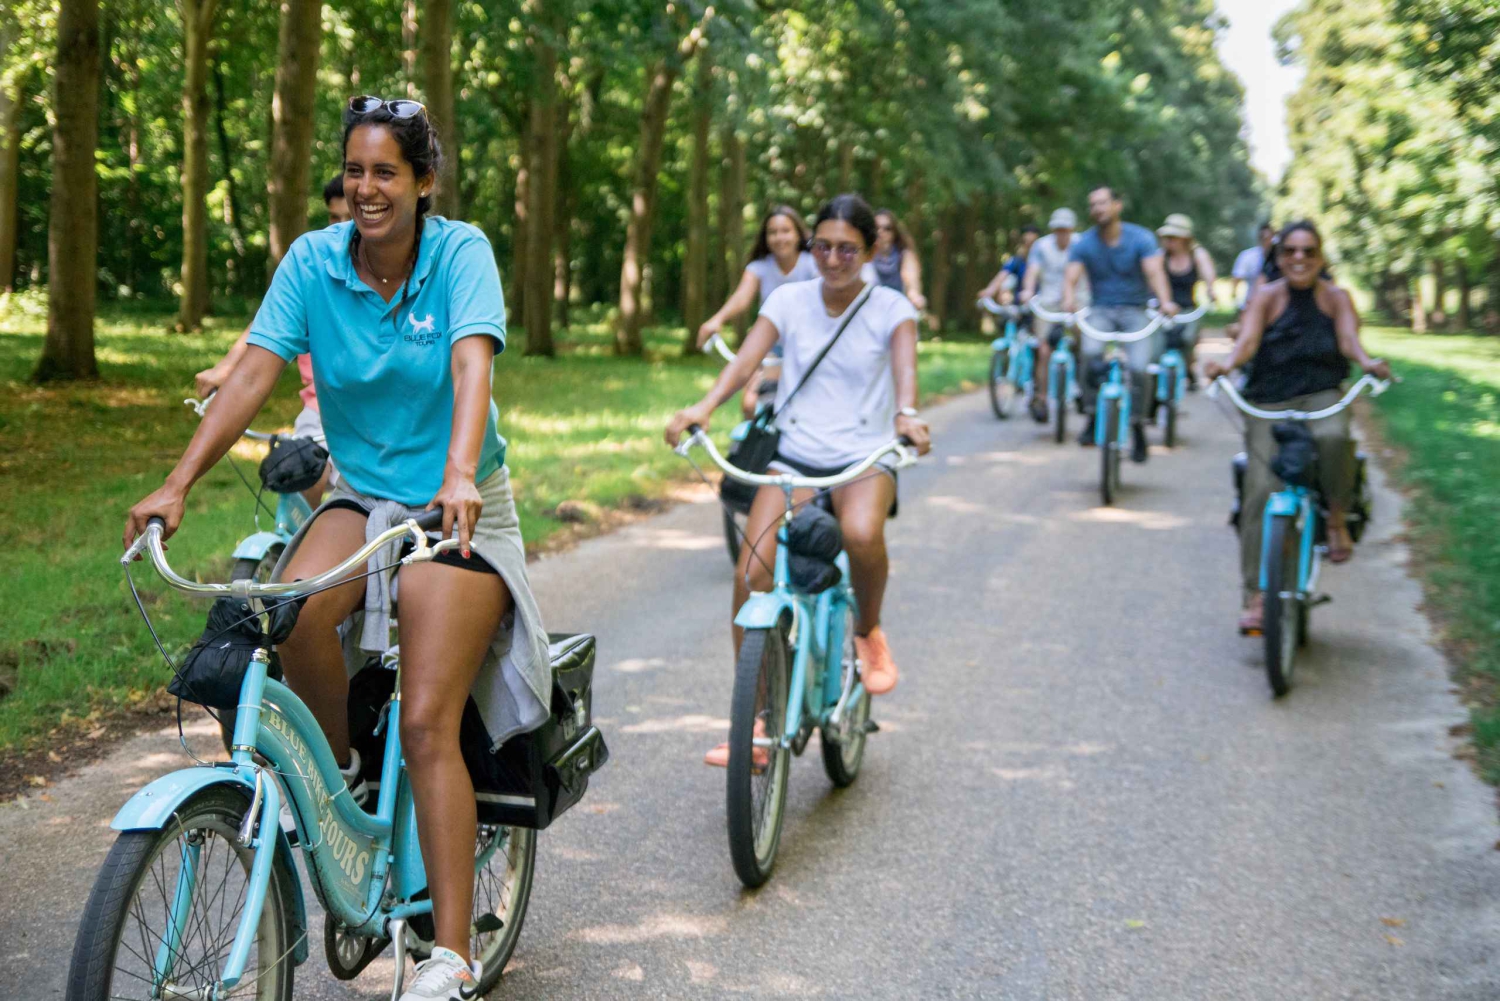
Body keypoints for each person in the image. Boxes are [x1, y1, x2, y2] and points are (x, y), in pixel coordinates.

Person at [124, 96, 553, 1001]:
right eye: (354, 170)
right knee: (294, 615)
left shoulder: (460, 254)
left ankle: (450, 954)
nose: (366, 188)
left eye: (385, 172)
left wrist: (461, 471)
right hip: (362, 494)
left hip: (457, 503)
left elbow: (472, 362)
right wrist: (176, 482)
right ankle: (342, 780)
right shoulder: (314, 261)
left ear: (424, 181)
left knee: (428, 720)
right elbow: (254, 371)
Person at [665, 194, 931, 765]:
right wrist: (704, 406)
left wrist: (907, 415)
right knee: (752, 572)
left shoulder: (891, 309)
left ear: (871, 250)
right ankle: (757, 722)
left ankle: (869, 632)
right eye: (823, 246)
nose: (833, 259)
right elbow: (745, 361)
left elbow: (905, 372)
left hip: (864, 456)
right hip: (795, 457)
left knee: (861, 534)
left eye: (847, 249)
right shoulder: (788, 300)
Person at [1202, 220, 1391, 633]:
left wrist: (1368, 362)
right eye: (1290, 251)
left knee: (1334, 436)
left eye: (1308, 251)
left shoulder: (1337, 298)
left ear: (1321, 257)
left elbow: (1349, 341)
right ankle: (1256, 596)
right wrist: (1226, 365)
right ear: (1279, 257)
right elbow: (1247, 343)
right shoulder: (1265, 296)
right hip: (1269, 398)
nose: (1299, 258)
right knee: (1260, 488)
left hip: (1321, 393)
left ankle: (1336, 520)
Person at [195, 174, 353, 505]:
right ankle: (299, 534)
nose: (340, 227)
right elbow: (266, 325)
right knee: (300, 469)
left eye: (349, 217)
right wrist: (224, 369)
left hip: (373, 416)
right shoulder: (314, 267)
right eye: (333, 217)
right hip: (320, 411)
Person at [1061, 185, 1179, 462]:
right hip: (1100, 310)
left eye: (1102, 203)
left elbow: (1154, 272)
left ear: (1117, 205)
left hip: (1135, 310)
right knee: (1089, 354)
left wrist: (1165, 301)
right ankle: (1092, 415)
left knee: (1139, 367)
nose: (1097, 209)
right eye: (1093, 204)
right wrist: (1068, 300)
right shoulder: (1085, 243)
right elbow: (1071, 277)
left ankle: (1138, 425)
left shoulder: (1141, 238)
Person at [695, 205, 816, 416]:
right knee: (750, 404)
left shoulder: (812, 264)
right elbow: (741, 297)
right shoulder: (760, 267)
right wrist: (717, 319)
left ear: (798, 234)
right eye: (773, 232)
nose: (779, 237)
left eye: (786, 231)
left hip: (809, 347)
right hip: (772, 347)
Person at [1018, 209, 1087, 422]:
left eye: (1065, 229)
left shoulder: (1082, 244)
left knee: (1085, 346)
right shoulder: (1042, 246)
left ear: (1072, 229)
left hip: (1078, 301)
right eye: (1058, 229)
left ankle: (1084, 388)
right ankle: (1042, 397)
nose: (1061, 233)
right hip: (1048, 302)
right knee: (1044, 349)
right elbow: (1032, 271)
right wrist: (1028, 291)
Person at [1156, 213, 1218, 389]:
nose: (1170, 241)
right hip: (1164, 309)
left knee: (1187, 339)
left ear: (1185, 239)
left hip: (1188, 309)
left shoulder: (1197, 254)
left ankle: (1189, 369)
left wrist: (1210, 290)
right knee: (1159, 342)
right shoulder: (1161, 256)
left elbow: (1208, 273)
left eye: (1173, 237)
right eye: (1167, 237)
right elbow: (1152, 277)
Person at [869, 208, 927, 309]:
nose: (881, 232)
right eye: (876, 227)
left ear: (894, 232)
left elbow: (911, 281)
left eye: (887, 228)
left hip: (896, 308)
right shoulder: (864, 256)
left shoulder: (904, 255)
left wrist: (915, 296)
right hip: (870, 308)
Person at [980, 225, 1040, 305]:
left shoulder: (1045, 262)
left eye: (1032, 244)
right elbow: (1002, 275)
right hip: (1020, 303)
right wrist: (989, 291)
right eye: (1025, 243)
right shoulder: (1017, 261)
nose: (1029, 248)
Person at [1230, 222, 1274, 311]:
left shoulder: (1280, 258)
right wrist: (1237, 301)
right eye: (1264, 238)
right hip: (1251, 303)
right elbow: (1236, 278)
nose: (1268, 242)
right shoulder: (1247, 256)